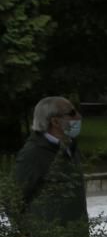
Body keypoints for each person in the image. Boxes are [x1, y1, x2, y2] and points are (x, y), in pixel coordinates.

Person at [13, 96, 87, 226]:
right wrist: (28, 236)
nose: (79, 117)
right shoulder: (33, 153)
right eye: (72, 113)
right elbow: (14, 199)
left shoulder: (71, 147)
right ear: (55, 121)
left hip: (76, 236)